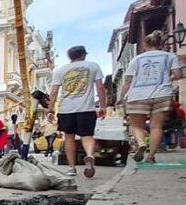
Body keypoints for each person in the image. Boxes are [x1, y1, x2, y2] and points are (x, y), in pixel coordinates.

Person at [120, 31, 183, 163]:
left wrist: (121, 97)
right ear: (161, 43)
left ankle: (141, 143)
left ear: (145, 45)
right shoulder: (170, 56)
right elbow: (178, 74)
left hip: (138, 95)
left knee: (136, 126)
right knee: (156, 127)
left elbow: (127, 81)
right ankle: (151, 156)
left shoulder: (136, 59)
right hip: (162, 94)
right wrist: (169, 78)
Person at [47, 45, 106, 178]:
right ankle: (90, 156)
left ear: (70, 57)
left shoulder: (60, 71)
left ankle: (72, 168)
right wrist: (103, 106)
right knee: (87, 136)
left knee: (69, 138)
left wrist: (49, 110)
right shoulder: (93, 66)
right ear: (84, 54)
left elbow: (54, 92)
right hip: (86, 108)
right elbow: (100, 87)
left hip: (66, 109)